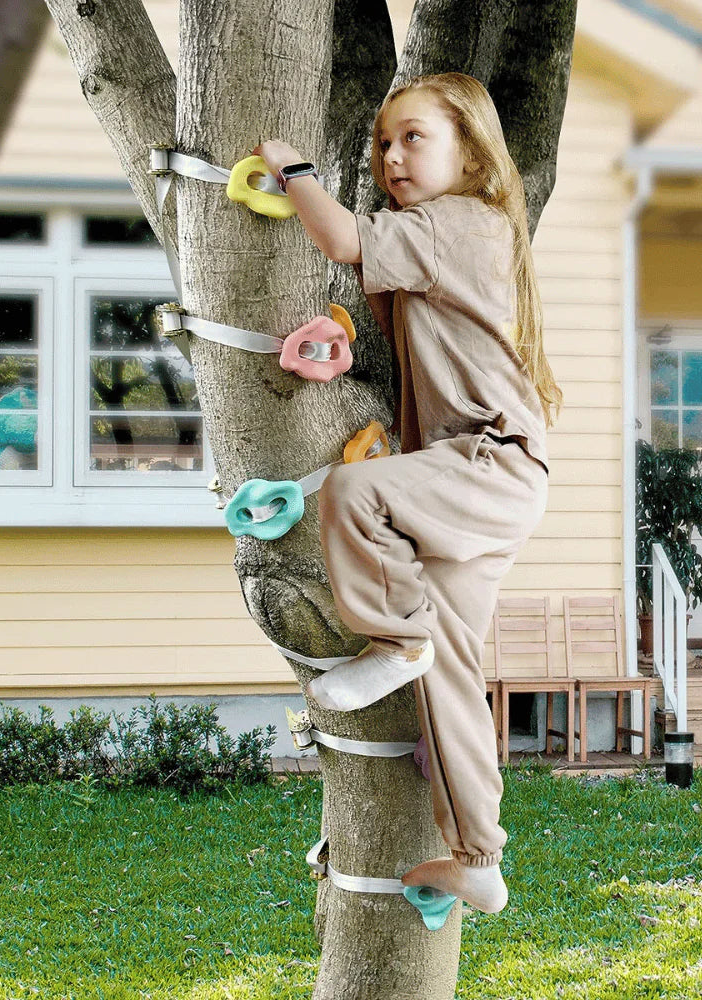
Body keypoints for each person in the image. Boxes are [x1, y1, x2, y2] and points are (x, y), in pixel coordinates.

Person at [255, 72, 561, 914]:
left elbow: (347, 242)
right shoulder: (455, 232)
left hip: (488, 465)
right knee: (453, 670)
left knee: (353, 493)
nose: (392, 155)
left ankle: (394, 641)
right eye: (384, 142)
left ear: (470, 150)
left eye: (414, 137)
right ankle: (479, 858)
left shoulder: (460, 222)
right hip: (483, 481)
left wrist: (293, 170)